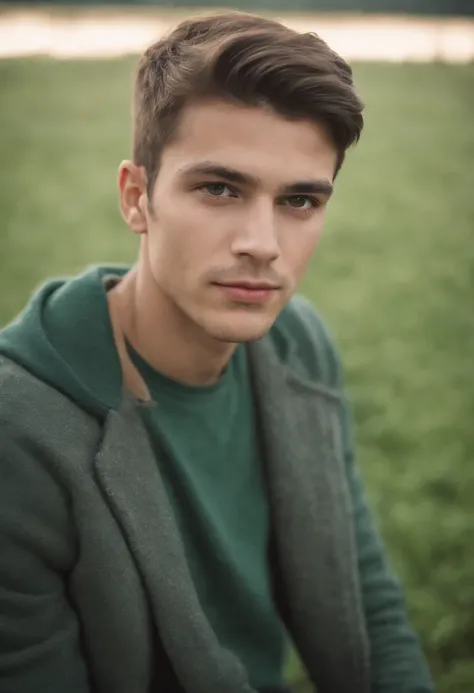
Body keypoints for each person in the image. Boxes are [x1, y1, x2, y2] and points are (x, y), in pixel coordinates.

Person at [0, 11, 433, 693]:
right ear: (137, 196)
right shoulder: (18, 434)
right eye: (220, 188)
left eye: (299, 200)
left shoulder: (299, 346)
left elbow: (365, 599)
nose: (262, 242)